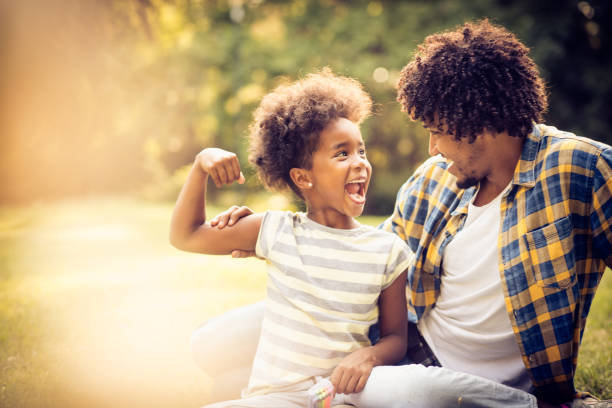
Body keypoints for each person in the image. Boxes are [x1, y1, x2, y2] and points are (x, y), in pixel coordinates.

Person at [195, 20, 612, 408]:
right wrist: (285, 235)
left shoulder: (581, 169)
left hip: (445, 383)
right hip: (394, 338)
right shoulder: (435, 180)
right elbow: (370, 252)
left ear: (479, 120)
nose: (432, 148)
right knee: (215, 348)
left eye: (437, 131)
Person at [170, 70, 414, 407]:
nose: (359, 163)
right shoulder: (276, 230)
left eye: (361, 151)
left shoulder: (389, 251)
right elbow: (186, 236)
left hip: (339, 399)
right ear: (303, 177)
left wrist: (370, 356)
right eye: (342, 154)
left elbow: (395, 339)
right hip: (272, 399)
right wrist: (200, 166)